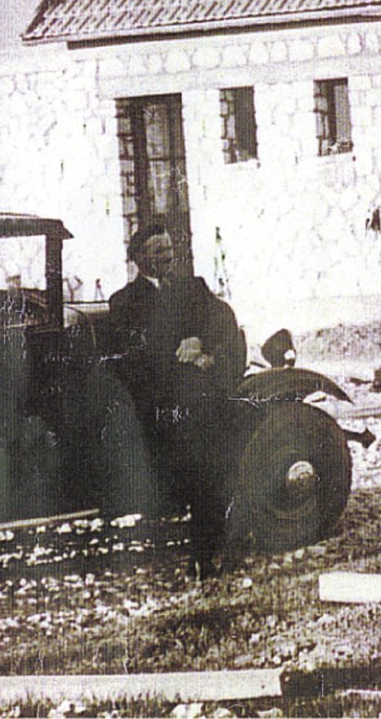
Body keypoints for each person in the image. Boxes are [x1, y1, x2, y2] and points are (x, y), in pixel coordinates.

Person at [104, 223, 245, 578]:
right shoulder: (123, 302)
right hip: (159, 406)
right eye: (157, 251)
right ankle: (202, 556)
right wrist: (177, 354)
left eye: (168, 248)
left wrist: (202, 343)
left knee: (216, 468)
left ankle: (212, 553)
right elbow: (135, 355)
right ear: (139, 259)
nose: (166, 256)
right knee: (194, 471)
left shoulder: (192, 288)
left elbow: (224, 322)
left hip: (202, 399)